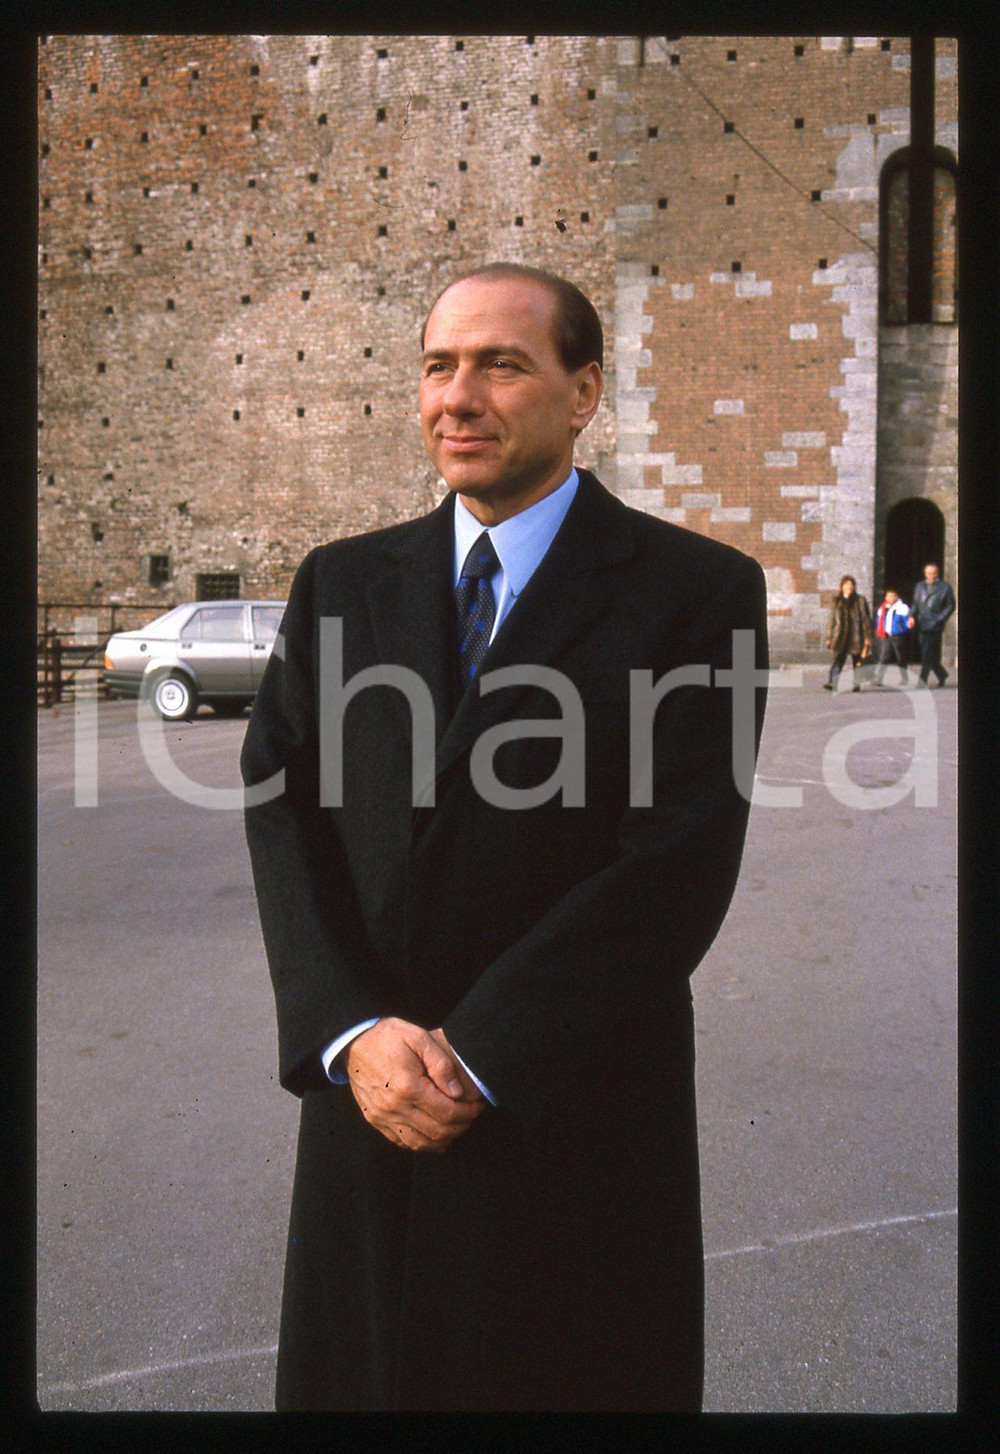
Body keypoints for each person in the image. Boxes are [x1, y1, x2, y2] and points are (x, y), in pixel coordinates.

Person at [241, 262, 768, 1412]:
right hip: (369, 1110)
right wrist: (349, 1029)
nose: (458, 396)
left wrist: (482, 1050)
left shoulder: (696, 592)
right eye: (439, 365)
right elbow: (282, 808)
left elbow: (677, 857)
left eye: (500, 364)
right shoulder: (338, 585)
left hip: (569, 1116)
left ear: (582, 394)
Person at [907, 561, 955, 687]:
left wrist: (940, 618)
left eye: (934, 573)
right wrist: (911, 616)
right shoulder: (919, 586)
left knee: (926, 653)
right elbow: (915, 604)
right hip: (922, 623)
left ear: (938, 574)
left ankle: (922, 680)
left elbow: (951, 605)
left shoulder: (945, 587)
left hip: (935, 624)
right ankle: (942, 674)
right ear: (925, 574)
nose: (931, 576)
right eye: (929, 573)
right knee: (928, 653)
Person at [823, 575, 873, 691]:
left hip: (856, 635)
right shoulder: (837, 601)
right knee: (838, 660)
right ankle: (832, 682)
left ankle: (857, 684)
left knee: (857, 661)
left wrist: (867, 637)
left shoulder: (860, 600)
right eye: (846, 585)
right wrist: (829, 637)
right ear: (842, 587)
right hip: (841, 636)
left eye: (851, 585)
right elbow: (832, 620)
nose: (849, 587)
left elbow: (866, 620)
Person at [870, 588, 911, 687]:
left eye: (893, 596)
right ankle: (878, 678)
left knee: (900, 658)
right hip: (886, 635)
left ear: (897, 597)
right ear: (886, 597)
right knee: (884, 656)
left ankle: (904, 678)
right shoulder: (883, 608)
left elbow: (907, 621)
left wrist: (902, 629)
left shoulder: (902, 607)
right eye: (889, 596)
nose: (891, 598)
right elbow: (879, 620)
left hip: (898, 636)